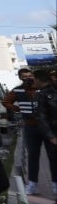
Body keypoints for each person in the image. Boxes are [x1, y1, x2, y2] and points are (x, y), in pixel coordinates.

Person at [2, 67, 42, 195]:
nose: (28, 78)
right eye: (24, 77)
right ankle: (32, 184)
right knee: (33, 156)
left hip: (47, 126)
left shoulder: (41, 88)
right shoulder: (18, 90)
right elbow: (5, 101)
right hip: (30, 127)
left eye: (30, 76)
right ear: (20, 78)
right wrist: (16, 109)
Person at [32, 68, 57, 196]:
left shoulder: (45, 93)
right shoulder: (41, 94)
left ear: (38, 79)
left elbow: (40, 117)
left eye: (33, 79)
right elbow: (40, 118)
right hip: (53, 134)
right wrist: (51, 136)